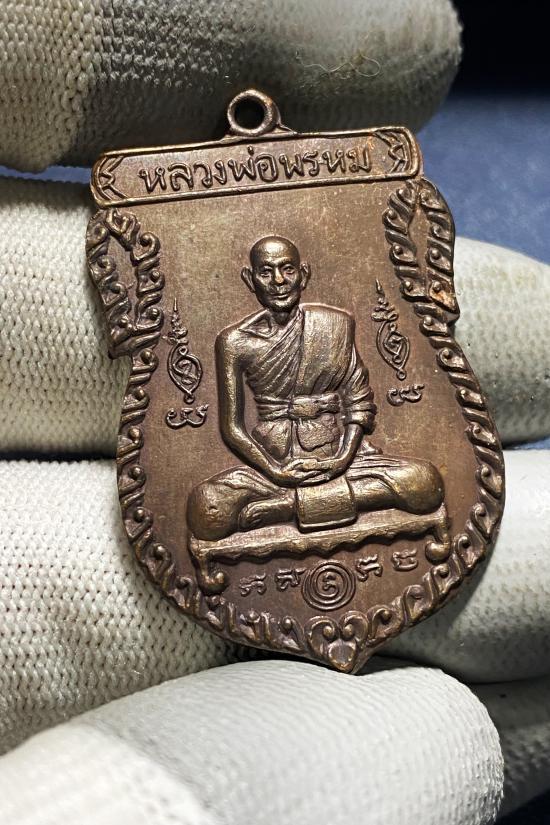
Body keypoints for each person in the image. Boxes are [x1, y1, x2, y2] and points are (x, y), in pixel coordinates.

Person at [187, 236, 444, 542]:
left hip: (338, 454)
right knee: (207, 510)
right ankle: (314, 498)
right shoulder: (234, 342)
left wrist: (342, 458)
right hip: (272, 462)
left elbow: (358, 400)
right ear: (249, 279)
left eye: (288, 269)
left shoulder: (334, 324)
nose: (278, 281)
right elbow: (232, 428)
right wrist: (276, 471)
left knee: (425, 484)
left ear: (304, 275)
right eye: (266, 272)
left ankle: (287, 507)